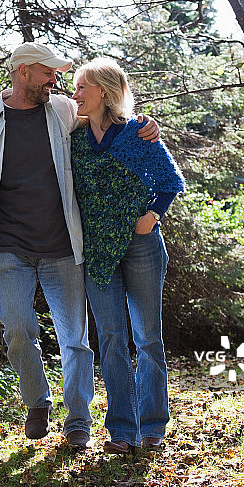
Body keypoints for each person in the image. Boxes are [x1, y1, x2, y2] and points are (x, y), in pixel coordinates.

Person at [0, 43, 159, 450]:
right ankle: (37, 399)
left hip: (64, 245)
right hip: (11, 247)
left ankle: (79, 420)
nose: (55, 79)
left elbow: (108, 121)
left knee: (75, 339)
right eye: (48, 72)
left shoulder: (63, 110)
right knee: (16, 328)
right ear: (24, 72)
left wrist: (144, 124)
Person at [70, 57, 185, 454]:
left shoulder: (137, 133)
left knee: (147, 338)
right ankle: (122, 431)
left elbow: (169, 181)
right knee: (111, 339)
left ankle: (153, 426)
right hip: (97, 250)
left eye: (81, 87)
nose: (75, 94)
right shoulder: (73, 137)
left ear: (103, 91)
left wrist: (152, 216)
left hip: (141, 245)